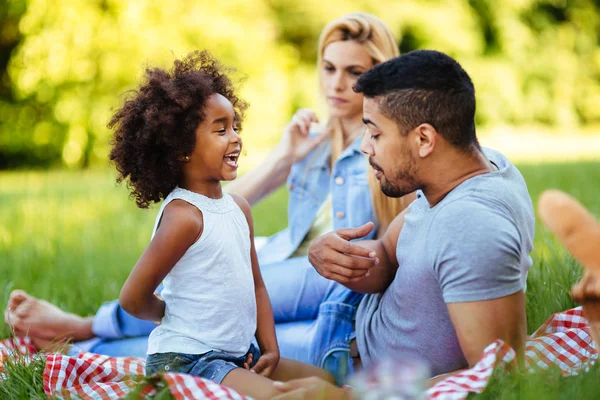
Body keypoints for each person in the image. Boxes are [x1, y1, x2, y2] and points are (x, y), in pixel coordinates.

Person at [5, 12, 412, 370]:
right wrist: (285, 156)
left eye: (354, 73)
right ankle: (86, 342)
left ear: (378, 76)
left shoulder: (383, 146)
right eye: (328, 68)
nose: (337, 84)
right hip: (283, 258)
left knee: (218, 310)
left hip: (330, 278)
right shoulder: (309, 142)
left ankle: (84, 334)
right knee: (203, 309)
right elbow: (218, 207)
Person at [272, 49, 536, 398]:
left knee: (210, 349)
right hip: (351, 307)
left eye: (375, 134)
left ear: (424, 139)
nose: (365, 147)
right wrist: (342, 256)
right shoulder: (470, 170)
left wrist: (349, 395)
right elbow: (388, 253)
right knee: (224, 300)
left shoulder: (472, 228)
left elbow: (496, 377)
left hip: (349, 358)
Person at [108, 50, 332, 399]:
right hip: (187, 361)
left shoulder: (239, 208)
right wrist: (171, 313)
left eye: (235, 126)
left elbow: (256, 285)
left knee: (325, 382)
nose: (235, 138)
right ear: (182, 148)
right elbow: (132, 297)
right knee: (295, 396)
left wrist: (269, 348)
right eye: (221, 130)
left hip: (239, 355)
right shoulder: (185, 216)